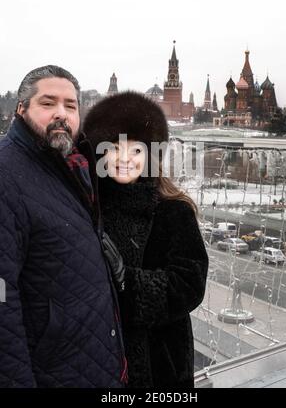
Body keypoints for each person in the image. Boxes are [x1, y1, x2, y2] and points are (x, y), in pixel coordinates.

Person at [0, 65, 127, 388]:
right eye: (48, 103)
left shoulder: (71, 163)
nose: (61, 114)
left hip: (91, 361)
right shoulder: (7, 172)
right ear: (21, 108)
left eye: (70, 106)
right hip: (52, 371)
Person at [83, 90, 208, 388]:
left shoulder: (173, 210)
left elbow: (190, 284)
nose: (125, 159)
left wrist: (129, 282)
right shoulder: (89, 207)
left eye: (136, 150)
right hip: (99, 358)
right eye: (114, 148)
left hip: (159, 365)